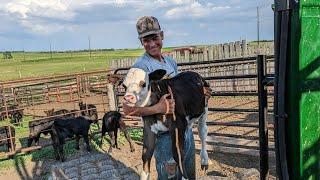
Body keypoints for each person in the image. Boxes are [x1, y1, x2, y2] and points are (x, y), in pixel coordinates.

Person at [122, 16, 211, 180]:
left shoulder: (170, 62)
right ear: (141, 41)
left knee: (189, 175)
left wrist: (200, 93)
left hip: (185, 130)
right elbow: (127, 109)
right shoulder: (141, 67)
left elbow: (179, 94)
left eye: (154, 38)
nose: (151, 44)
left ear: (162, 36)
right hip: (163, 138)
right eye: (146, 40)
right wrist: (158, 108)